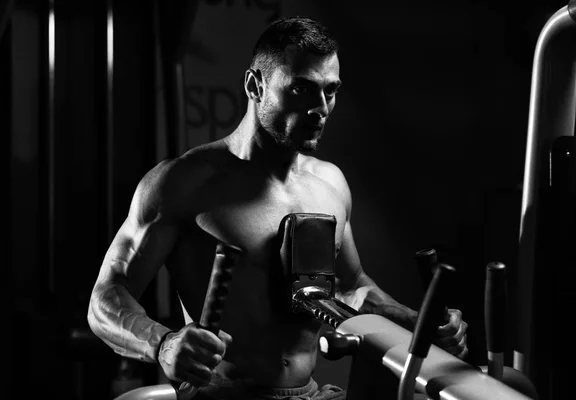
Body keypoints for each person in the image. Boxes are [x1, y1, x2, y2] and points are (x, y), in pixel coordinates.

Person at [87, 16, 468, 400]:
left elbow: (351, 288)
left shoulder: (330, 185)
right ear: (255, 86)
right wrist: (163, 343)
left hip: (313, 394)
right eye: (302, 89)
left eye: (330, 91)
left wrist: (420, 323)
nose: (320, 108)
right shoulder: (184, 182)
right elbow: (106, 296)